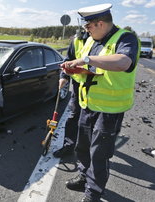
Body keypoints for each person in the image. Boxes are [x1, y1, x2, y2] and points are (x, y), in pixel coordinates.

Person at [60, 3, 140, 202]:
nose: (86, 30)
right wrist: (72, 71)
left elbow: (123, 62)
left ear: (100, 23)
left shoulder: (125, 37)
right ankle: (83, 178)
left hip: (110, 109)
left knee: (99, 153)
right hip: (88, 105)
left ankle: (93, 193)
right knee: (83, 147)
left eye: (88, 26)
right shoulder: (91, 40)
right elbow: (89, 69)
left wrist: (87, 60)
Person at [53, 29, 89, 158]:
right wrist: (64, 76)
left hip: (99, 89)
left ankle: (87, 152)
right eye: (86, 25)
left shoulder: (106, 39)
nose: (87, 28)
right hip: (78, 88)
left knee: (90, 123)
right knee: (73, 118)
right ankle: (69, 147)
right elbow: (69, 60)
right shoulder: (77, 40)